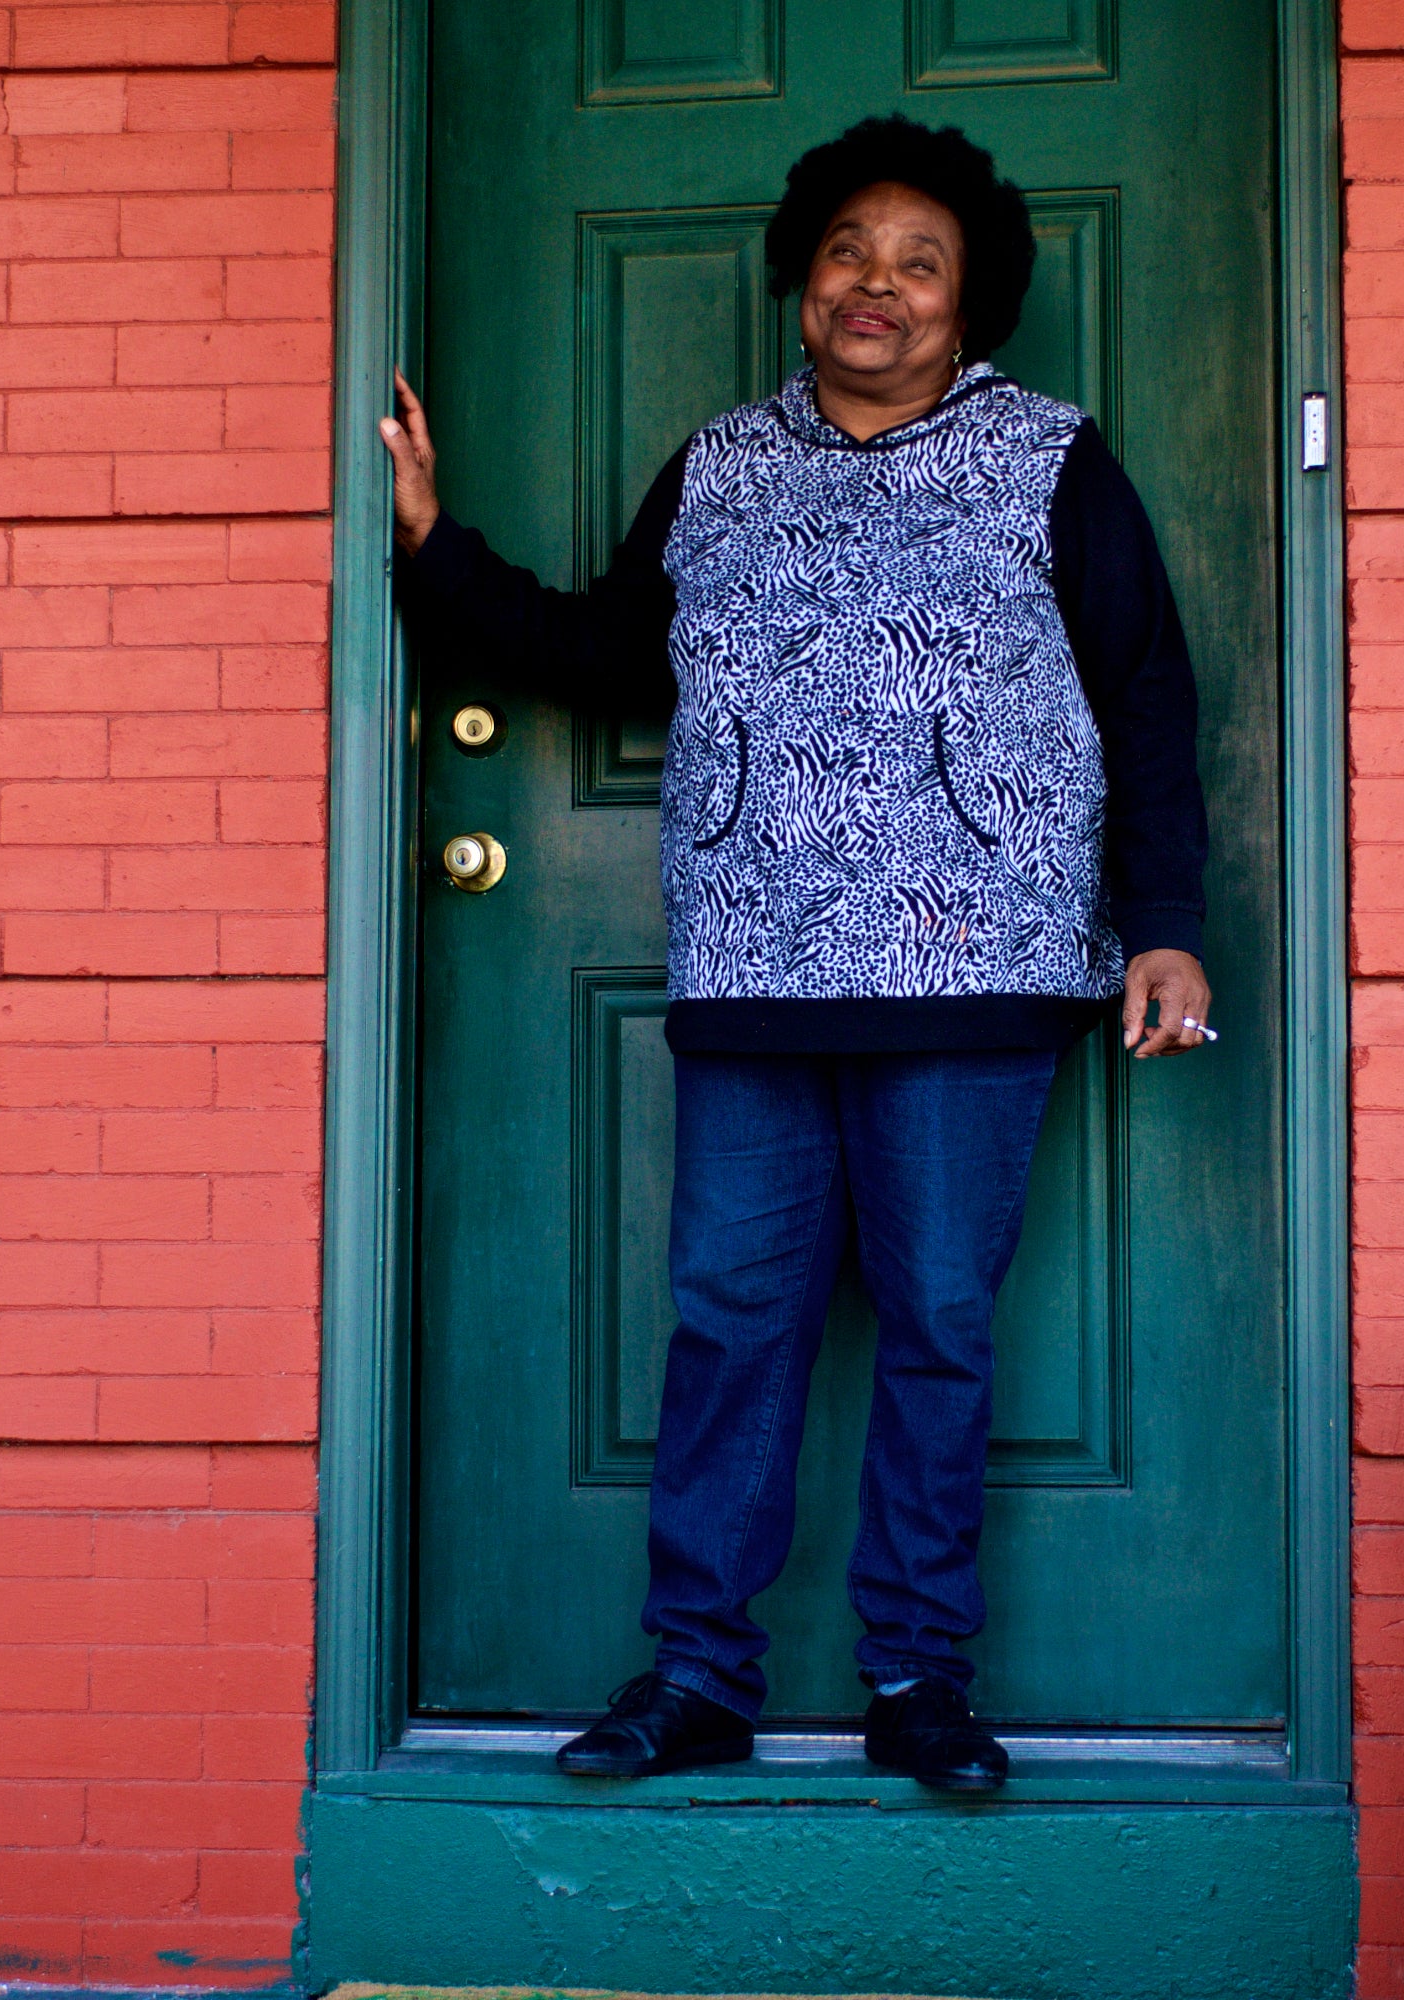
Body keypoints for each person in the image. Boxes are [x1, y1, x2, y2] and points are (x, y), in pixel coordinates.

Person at [382, 116, 1212, 1794]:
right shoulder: (718, 465)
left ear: (968, 303)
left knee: (936, 1326)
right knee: (732, 1323)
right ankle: (699, 1676)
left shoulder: (1051, 457)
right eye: (847, 253)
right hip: (759, 965)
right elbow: (615, 653)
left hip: (979, 963)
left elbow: (1145, 693)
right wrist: (432, 552)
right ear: (801, 275)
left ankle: (918, 1679)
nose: (875, 288)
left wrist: (1170, 926)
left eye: (918, 264)